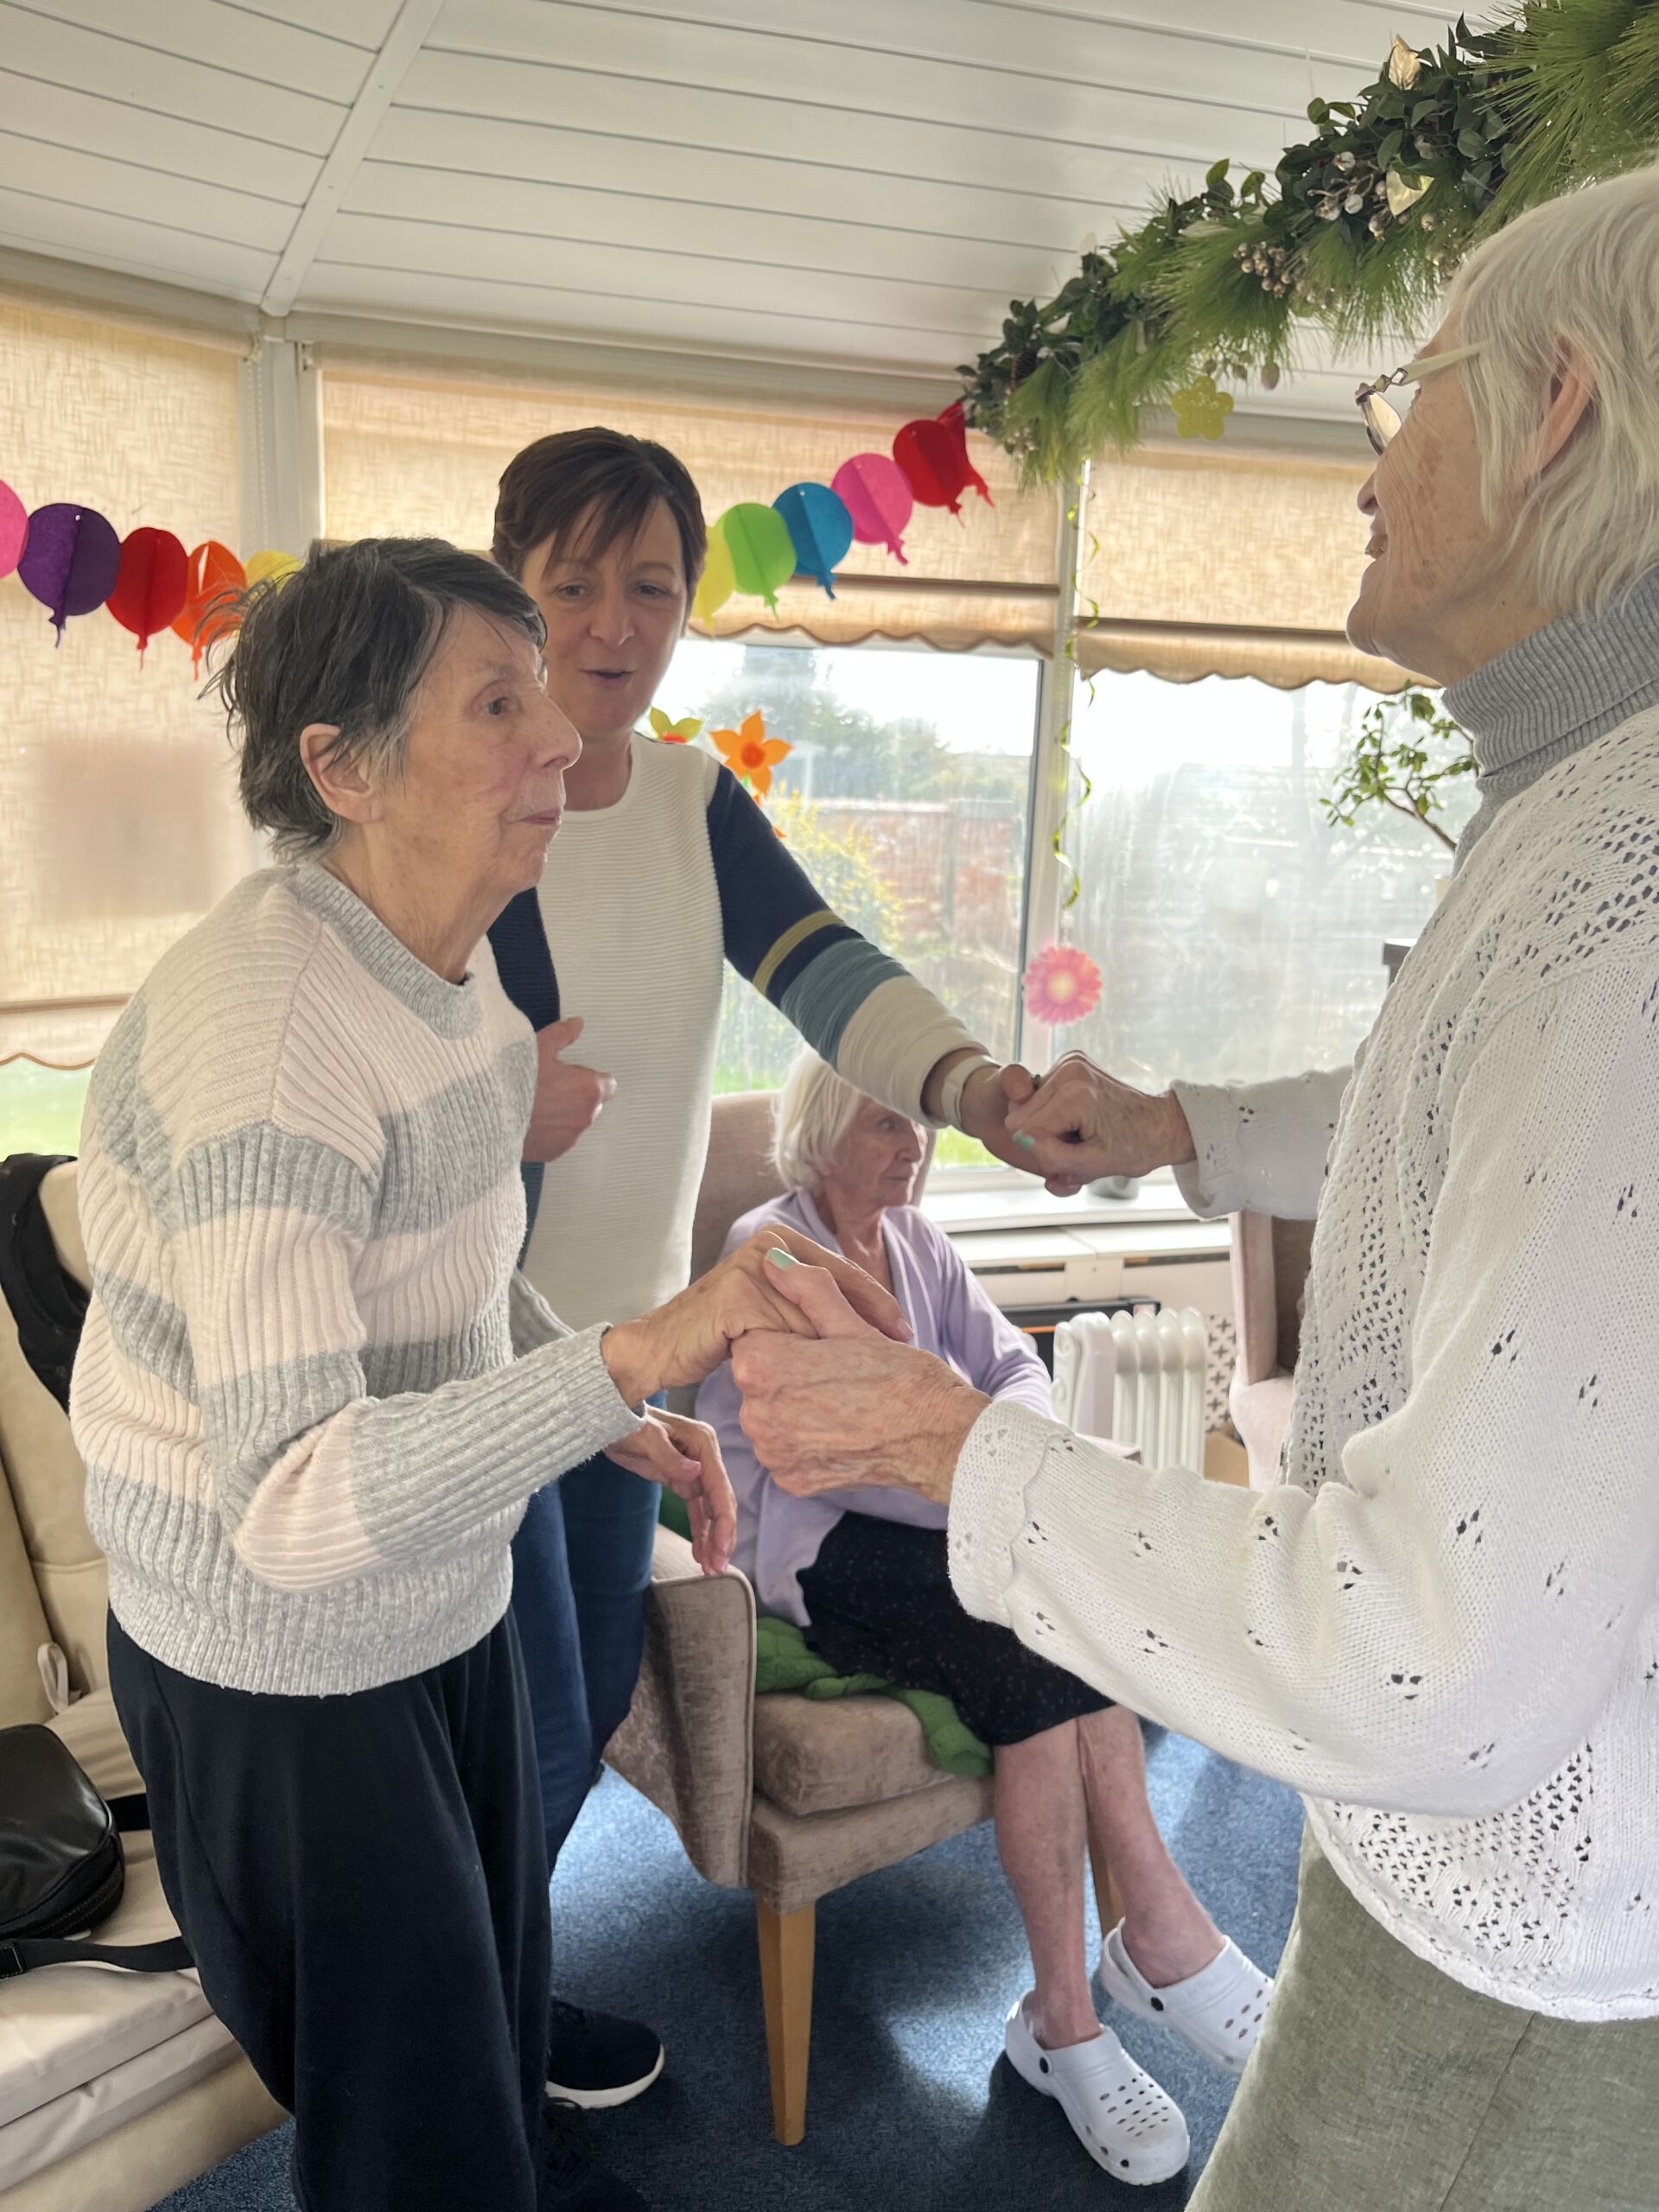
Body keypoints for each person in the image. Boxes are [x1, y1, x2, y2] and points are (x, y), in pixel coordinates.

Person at [732, 165, 1659, 2211]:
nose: (1369, 467)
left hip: (1525, 1961)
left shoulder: (1628, 879)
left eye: (1403, 396)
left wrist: (947, 1434)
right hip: (1480, 1894)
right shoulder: (1576, 809)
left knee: (1048, 1657)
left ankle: (1109, 1984)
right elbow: (1461, 1103)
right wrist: (1171, 1132)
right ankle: (1136, 1968)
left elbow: (1425, 1657)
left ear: (1564, 411)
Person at [69, 537, 907, 2212]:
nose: (564, 744)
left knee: (484, 2028)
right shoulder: (272, 1039)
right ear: (344, 768)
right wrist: (634, 1348)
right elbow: (297, 1505)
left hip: (439, 1609)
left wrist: (610, 1406)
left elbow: (441, 1280)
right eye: (501, 702)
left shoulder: (454, 985)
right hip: (288, 1667)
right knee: (408, 2136)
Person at [482, 426, 1047, 2106]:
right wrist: (486, 1096)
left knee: (575, 1706)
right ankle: (466, 2025)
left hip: (631, 1367)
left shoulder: (687, 806)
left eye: (647, 584)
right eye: (570, 581)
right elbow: (357, 1045)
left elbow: (824, 967)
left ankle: (493, 1996)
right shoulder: (462, 794)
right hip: (473, 1366)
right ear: (507, 587)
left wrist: (977, 1088)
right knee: (486, 1726)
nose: (609, 619)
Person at [696, 1051, 1272, 2183]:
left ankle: (1089, 2000)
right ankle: (1117, 1975)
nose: (913, 1146)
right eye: (884, 1127)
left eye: (917, 1126)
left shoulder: (915, 1241)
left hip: (939, 1515)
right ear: (817, 1136)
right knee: (1038, 1638)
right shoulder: (768, 1251)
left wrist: (999, 1451)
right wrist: (980, 1476)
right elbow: (809, 1453)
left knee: (1062, 1610)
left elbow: (1013, 1362)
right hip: (819, 1548)